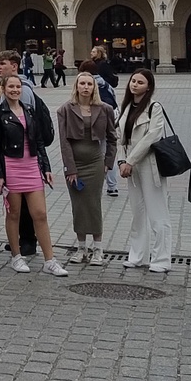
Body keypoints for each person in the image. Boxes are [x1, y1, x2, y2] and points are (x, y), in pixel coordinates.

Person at [0, 73, 68, 277]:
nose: (16, 90)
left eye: (18, 87)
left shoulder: (30, 110)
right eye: (11, 87)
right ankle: (16, 256)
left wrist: (46, 167)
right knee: (13, 214)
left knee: (40, 214)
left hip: (32, 165)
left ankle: (49, 260)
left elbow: (39, 142)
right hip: (11, 166)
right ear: (4, 89)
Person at [57, 72, 117, 266]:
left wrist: (108, 162)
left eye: (89, 84)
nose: (85, 87)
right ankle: (81, 248)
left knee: (93, 205)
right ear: (76, 86)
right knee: (78, 206)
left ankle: (98, 249)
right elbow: (64, 142)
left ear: (94, 87)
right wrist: (70, 169)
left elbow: (112, 138)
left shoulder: (105, 109)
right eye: (82, 83)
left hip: (95, 162)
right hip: (75, 163)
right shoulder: (65, 110)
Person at [115, 69, 171, 273]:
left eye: (140, 82)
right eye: (133, 80)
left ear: (149, 86)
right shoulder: (126, 107)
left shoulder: (154, 107)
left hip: (150, 164)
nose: (135, 84)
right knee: (137, 212)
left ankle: (162, 259)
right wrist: (122, 161)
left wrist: (130, 160)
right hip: (130, 166)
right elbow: (119, 136)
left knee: (158, 213)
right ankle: (138, 256)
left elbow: (153, 136)